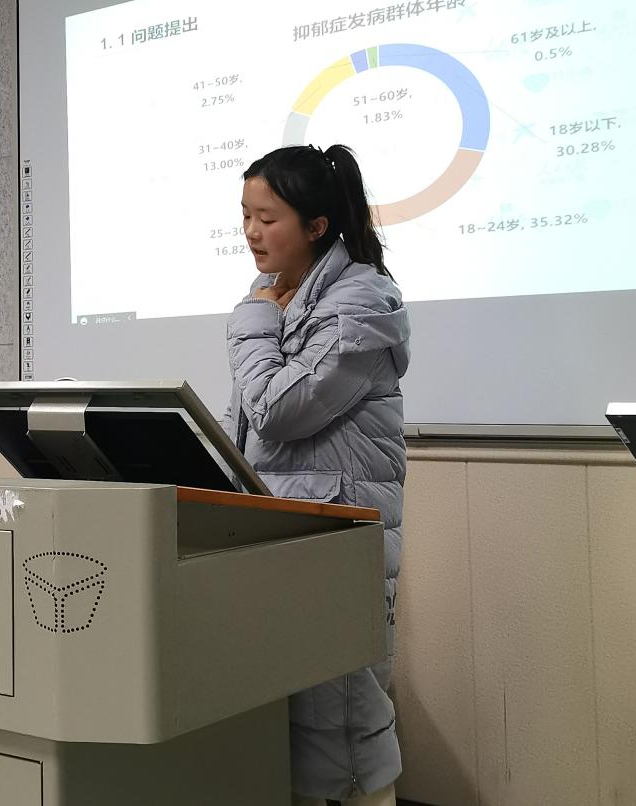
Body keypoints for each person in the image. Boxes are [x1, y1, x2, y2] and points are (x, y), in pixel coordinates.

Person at [222, 143, 410, 806]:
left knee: (347, 727)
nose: (250, 232)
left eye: (267, 218)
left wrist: (254, 317)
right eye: (245, 215)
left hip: (333, 542)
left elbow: (277, 411)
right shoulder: (277, 298)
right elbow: (247, 425)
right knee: (292, 730)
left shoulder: (362, 306)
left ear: (316, 226)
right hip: (282, 537)